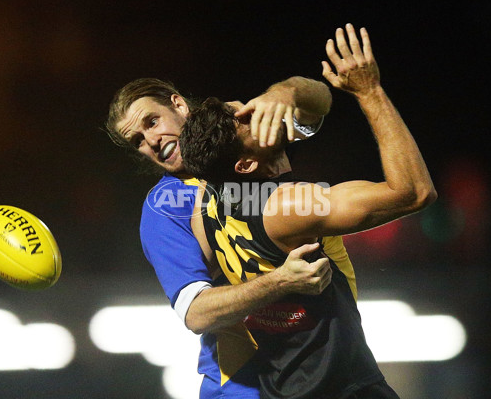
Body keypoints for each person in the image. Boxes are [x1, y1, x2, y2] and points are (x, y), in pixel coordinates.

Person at [180, 23, 437, 398]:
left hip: (279, 389)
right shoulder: (289, 206)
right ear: (246, 165)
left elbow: (315, 105)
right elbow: (415, 193)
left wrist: (284, 92)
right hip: (343, 388)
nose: (257, 110)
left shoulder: (204, 206)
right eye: (248, 118)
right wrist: (369, 91)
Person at [106, 76, 334, 397]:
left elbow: (317, 108)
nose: (152, 140)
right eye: (138, 140)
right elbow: (196, 313)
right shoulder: (164, 208)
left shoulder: (237, 135)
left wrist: (285, 93)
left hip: (315, 369)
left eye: (152, 121)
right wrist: (282, 280)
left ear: (178, 104)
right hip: (245, 386)